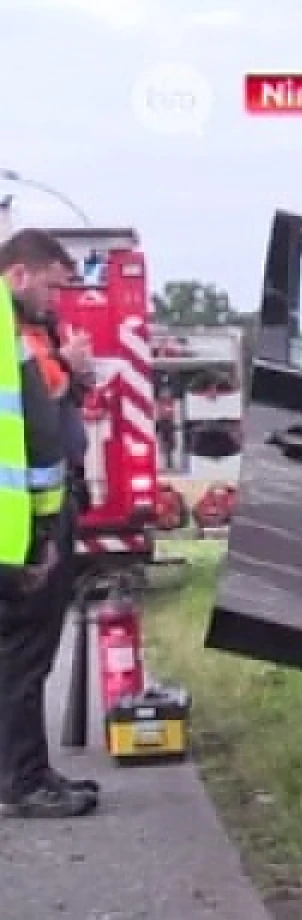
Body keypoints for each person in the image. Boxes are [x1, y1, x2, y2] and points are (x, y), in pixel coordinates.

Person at [0, 229, 97, 819]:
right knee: (25, 656)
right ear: (18, 275)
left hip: (16, 524)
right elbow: (36, 435)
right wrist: (40, 533)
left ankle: (27, 769)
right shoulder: (14, 339)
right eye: (51, 287)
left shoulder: (26, 335)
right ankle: (24, 779)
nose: (57, 301)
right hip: (20, 526)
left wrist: (66, 368)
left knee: (19, 655)